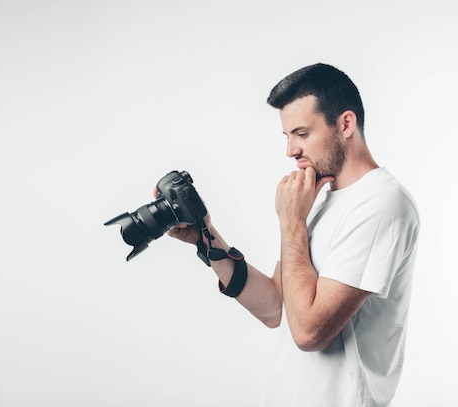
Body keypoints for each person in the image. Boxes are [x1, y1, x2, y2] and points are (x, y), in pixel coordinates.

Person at [164, 63, 420, 406]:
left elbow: (309, 332)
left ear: (345, 124)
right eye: (287, 136)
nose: (291, 151)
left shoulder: (381, 204)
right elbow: (273, 307)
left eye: (302, 133)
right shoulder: (317, 198)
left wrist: (291, 224)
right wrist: (205, 236)